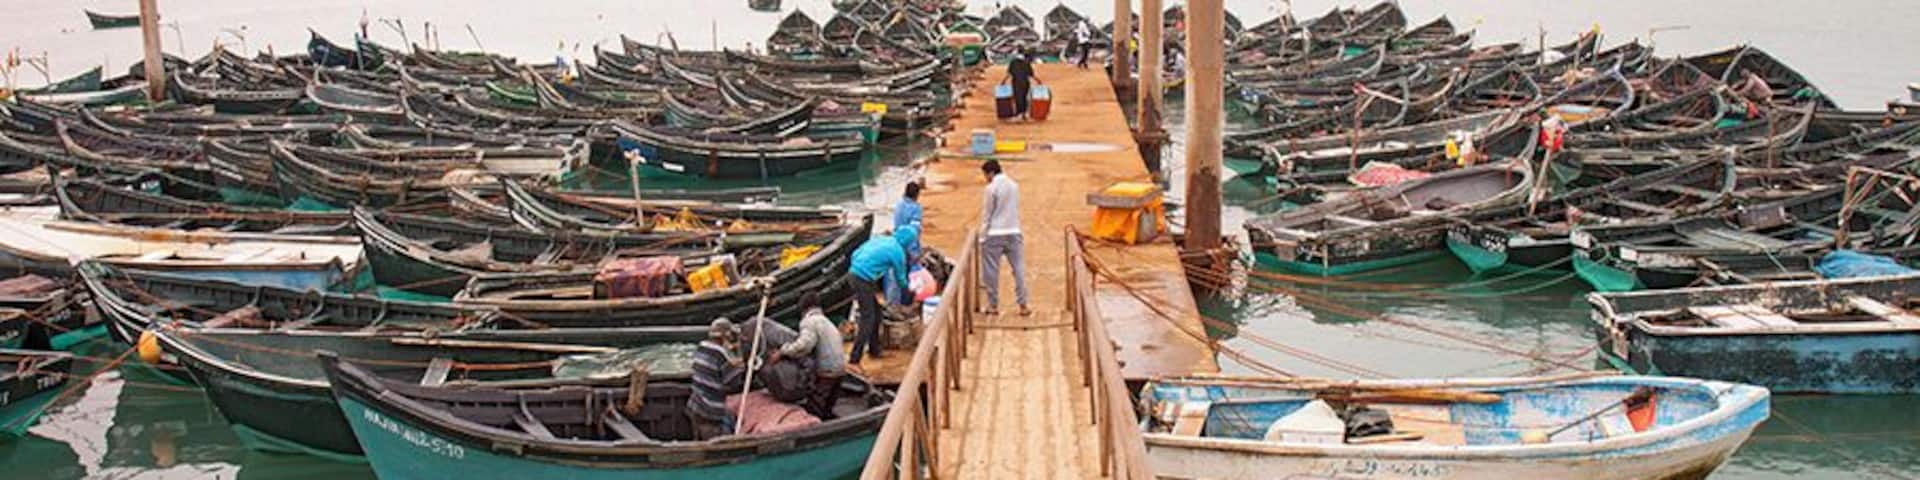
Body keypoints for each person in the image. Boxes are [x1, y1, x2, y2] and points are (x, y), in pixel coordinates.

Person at [771, 292, 847, 419]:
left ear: (803, 309)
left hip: (827, 370)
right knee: (829, 401)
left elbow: (804, 345)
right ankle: (827, 417)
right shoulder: (826, 321)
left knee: (815, 403)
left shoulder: (809, 322)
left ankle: (813, 422)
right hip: (840, 368)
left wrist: (782, 351)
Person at [847, 229, 911, 362]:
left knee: (877, 313)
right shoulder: (897, 251)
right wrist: (909, 290)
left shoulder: (881, 239)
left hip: (853, 274)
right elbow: (900, 278)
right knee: (868, 318)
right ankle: (855, 357)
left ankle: (874, 349)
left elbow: (856, 253)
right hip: (863, 280)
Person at [977, 160, 1029, 316]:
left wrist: (982, 236)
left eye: (986, 175)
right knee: (1018, 269)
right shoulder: (1014, 186)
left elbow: (987, 214)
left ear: (991, 173)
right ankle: (1023, 304)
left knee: (991, 271)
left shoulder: (991, 189)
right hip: (1014, 230)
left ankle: (993, 305)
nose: (986, 178)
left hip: (995, 233)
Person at [689, 318, 744, 439]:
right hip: (711, 409)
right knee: (732, 419)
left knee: (729, 414)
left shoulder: (702, 345)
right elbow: (735, 383)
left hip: (695, 403)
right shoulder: (721, 353)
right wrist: (740, 366)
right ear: (726, 336)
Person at [1001, 50, 1042, 121]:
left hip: (1017, 82)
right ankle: (1023, 113)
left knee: (1018, 98)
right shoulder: (1026, 63)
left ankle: (1019, 113)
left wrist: (1003, 81)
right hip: (1025, 83)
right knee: (1024, 97)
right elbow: (1031, 74)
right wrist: (1038, 80)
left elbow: (1009, 73)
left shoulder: (1013, 62)